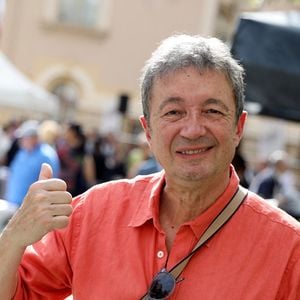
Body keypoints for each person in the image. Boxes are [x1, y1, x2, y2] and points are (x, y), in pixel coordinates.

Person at [1, 34, 300, 300]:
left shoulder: (290, 251)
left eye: (212, 110)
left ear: (238, 127)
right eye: (173, 112)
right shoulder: (91, 214)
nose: (193, 129)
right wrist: (14, 235)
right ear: (148, 131)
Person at [4, 120, 60, 207]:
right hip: (12, 203)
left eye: (24, 138)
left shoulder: (46, 155)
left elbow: (50, 184)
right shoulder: (22, 152)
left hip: (31, 208)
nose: (21, 141)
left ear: (34, 138)